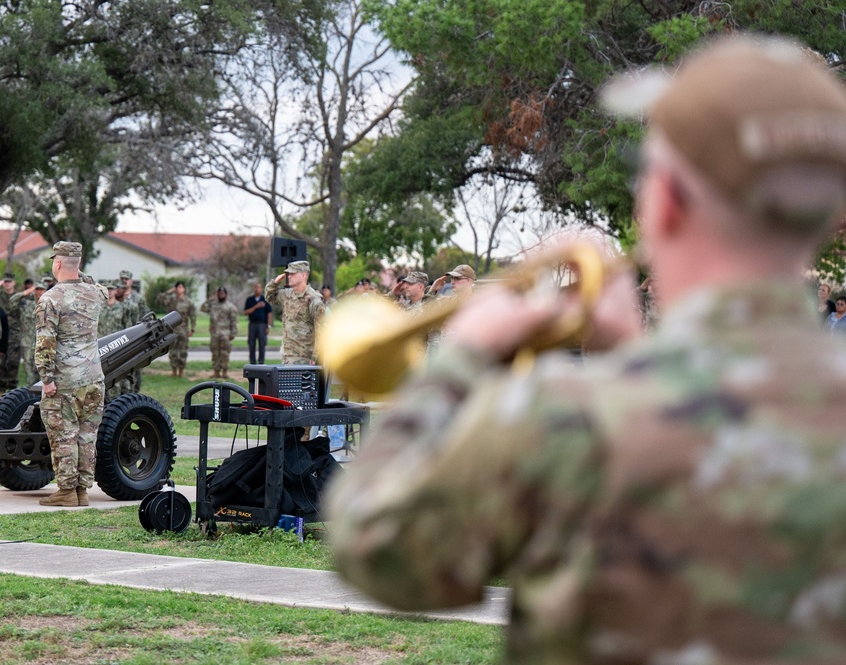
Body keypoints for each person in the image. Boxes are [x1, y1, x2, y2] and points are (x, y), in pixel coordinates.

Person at [326, 35, 846, 663]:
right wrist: (633, 354)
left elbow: (374, 544)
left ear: (668, 201)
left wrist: (460, 360)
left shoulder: (565, 417)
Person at [35, 241, 108, 507]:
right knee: (87, 435)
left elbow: (45, 343)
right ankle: (82, 490)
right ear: (78, 264)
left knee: (64, 434)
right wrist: (79, 271)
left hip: (65, 380)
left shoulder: (50, 299)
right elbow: (95, 284)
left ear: (56, 264)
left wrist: (47, 379)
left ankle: (66, 490)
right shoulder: (96, 293)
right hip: (93, 379)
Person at [265, 261, 325, 364]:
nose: (289, 276)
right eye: (289, 273)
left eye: (293, 273)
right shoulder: (288, 294)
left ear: (303, 275)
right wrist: (275, 283)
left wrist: (315, 357)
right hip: (287, 354)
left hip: (304, 356)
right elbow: (269, 297)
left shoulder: (313, 299)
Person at [157, 280, 197, 377]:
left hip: (183, 330)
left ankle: (181, 371)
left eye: (180, 287)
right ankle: (174, 370)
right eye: (177, 287)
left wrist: (192, 329)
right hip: (172, 329)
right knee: (173, 351)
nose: (179, 289)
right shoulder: (171, 300)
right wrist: (169, 292)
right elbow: (159, 300)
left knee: (183, 351)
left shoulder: (188, 301)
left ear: (184, 289)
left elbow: (193, 316)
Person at [200, 287, 239, 378]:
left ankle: (225, 371)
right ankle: (216, 371)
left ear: (226, 294)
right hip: (214, 333)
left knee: (225, 353)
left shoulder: (230, 307)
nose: (221, 295)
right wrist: (209, 299)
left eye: (223, 293)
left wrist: (233, 333)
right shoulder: (213, 305)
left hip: (225, 333)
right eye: (219, 293)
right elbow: (202, 308)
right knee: (215, 353)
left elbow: (234, 321)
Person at [243, 282, 272, 365]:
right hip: (252, 324)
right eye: (255, 287)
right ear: (254, 289)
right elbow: (245, 312)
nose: (257, 289)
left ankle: (261, 362)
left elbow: (269, 313)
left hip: (262, 325)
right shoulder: (250, 300)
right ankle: (252, 362)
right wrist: (256, 306)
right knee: (251, 344)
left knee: (262, 344)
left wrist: (268, 326)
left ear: (261, 289)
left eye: (259, 287)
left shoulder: (265, 299)